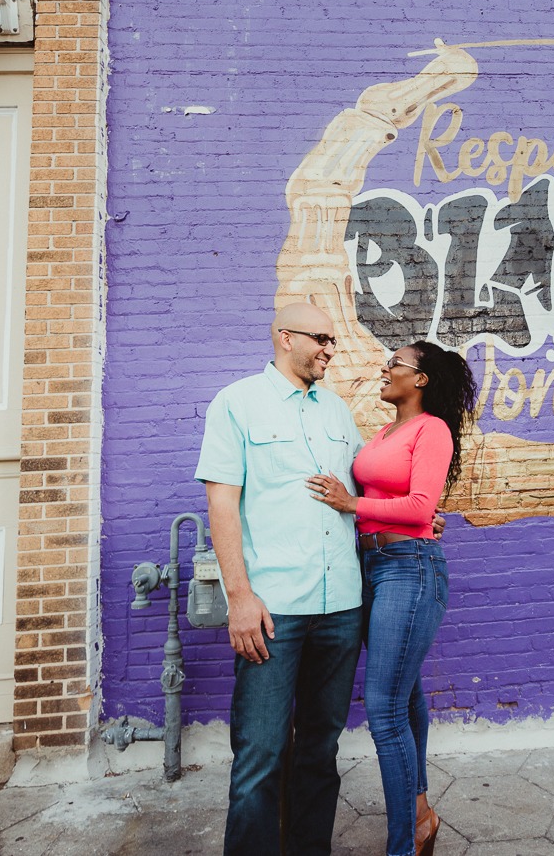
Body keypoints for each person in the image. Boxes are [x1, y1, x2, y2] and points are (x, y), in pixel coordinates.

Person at [196, 301, 365, 856]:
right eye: (321, 338)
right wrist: (239, 598)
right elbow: (222, 507)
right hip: (274, 610)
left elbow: (358, 496)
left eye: (333, 341)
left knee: (319, 750)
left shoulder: (337, 412)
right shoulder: (237, 404)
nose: (330, 350)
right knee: (261, 755)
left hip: (340, 605)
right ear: (284, 336)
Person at [308, 340, 477, 856]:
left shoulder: (433, 429)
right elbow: (396, 502)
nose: (385, 370)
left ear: (420, 380)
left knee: (383, 710)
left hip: (409, 569)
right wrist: (368, 511)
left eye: (395, 365)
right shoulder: (386, 431)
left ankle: (404, 844)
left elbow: (423, 504)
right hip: (373, 566)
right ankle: (421, 813)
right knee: (404, 696)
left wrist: (349, 501)